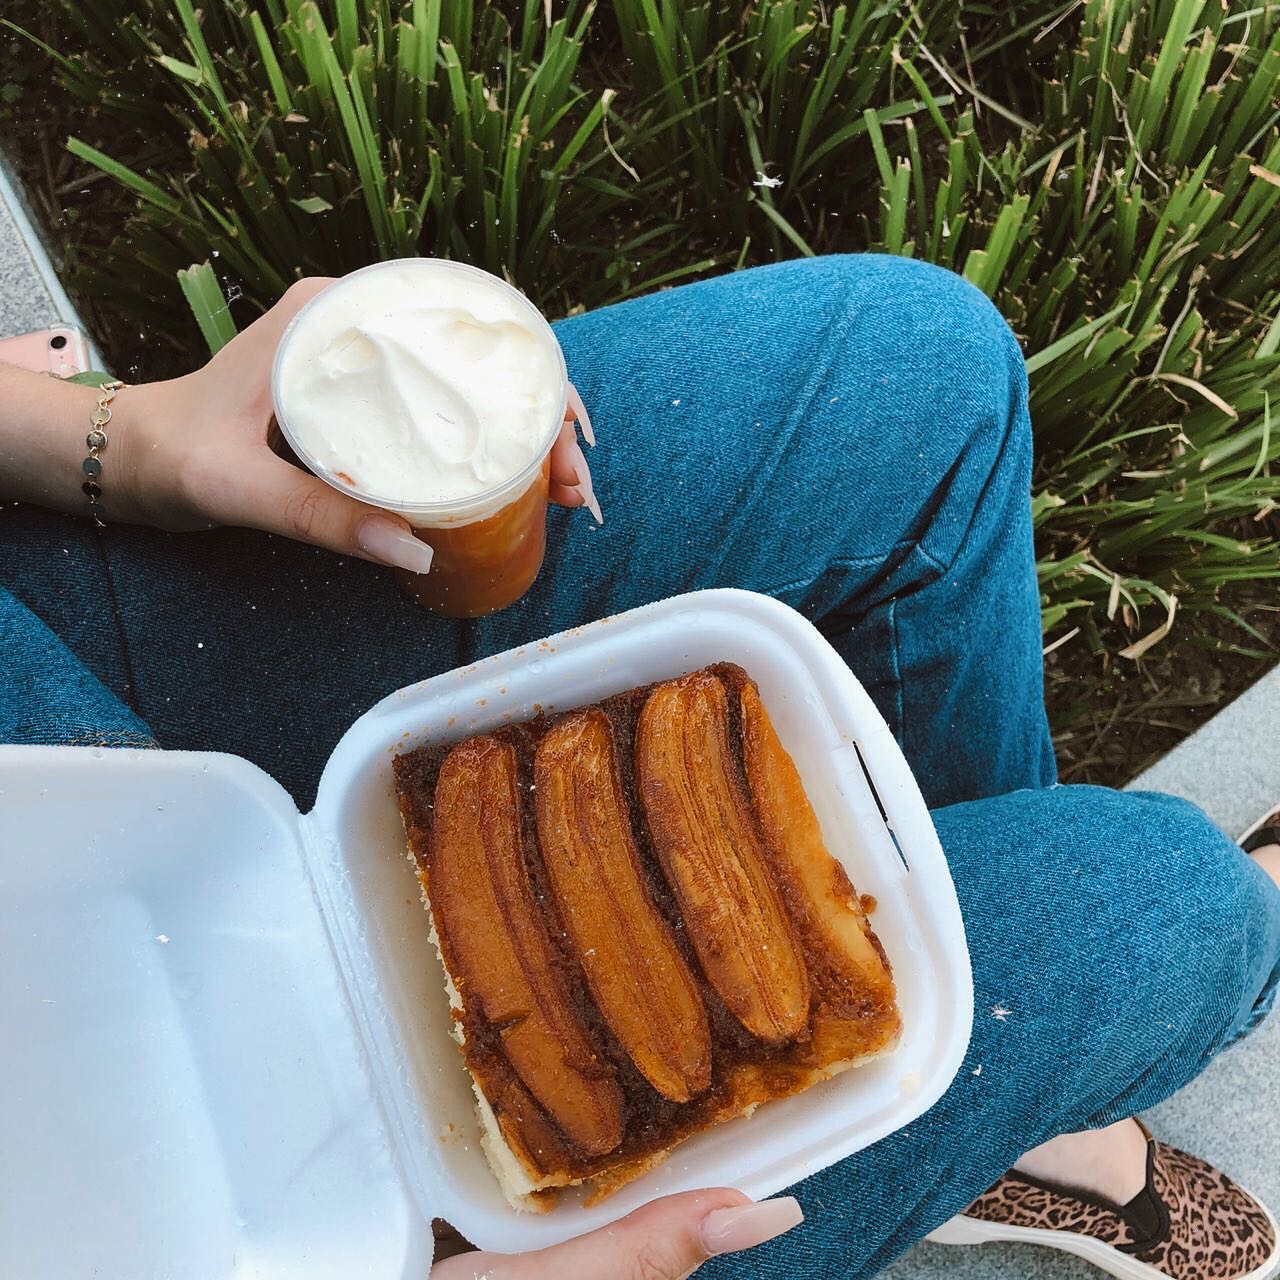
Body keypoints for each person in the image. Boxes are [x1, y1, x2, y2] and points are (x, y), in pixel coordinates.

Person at [2, 254, 1278, 1280]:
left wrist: (109, 435)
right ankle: (1026, 1103)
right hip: (208, 1208)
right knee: (1178, 905)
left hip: (36, 671)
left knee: (918, 373)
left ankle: (991, 1097)